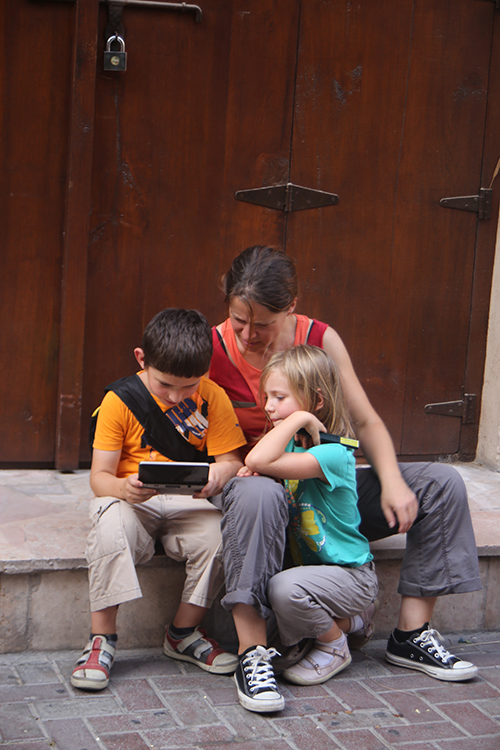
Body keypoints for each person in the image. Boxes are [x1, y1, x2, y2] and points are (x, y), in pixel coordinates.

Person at [208, 246, 480, 710]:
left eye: (263, 323)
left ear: (291, 307)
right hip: (260, 482)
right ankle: (253, 651)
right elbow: (224, 449)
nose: (248, 335)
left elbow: (366, 421)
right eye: (239, 321)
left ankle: (411, 633)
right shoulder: (212, 348)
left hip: (320, 481)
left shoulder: (319, 338)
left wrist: (392, 480)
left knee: (440, 482)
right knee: (257, 493)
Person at [71, 308, 246, 691]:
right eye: (166, 384)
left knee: (221, 535)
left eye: (189, 387)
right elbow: (99, 478)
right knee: (110, 527)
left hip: (190, 501)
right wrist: (123, 489)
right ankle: (102, 638)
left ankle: (183, 632)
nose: (177, 395)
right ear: (141, 359)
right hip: (131, 500)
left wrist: (220, 474)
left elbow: (232, 461)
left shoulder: (212, 397)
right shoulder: (120, 400)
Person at [236, 345, 378, 708]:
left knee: (282, 589)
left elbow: (257, 458)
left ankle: (335, 645)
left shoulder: (331, 453)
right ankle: (352, 623)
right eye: (266, 395)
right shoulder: (295, 452)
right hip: (317, 575)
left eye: (279, 397)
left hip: (350, 576)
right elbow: (261, 461)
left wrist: (296, 420)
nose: (268, 405)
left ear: (315, 401)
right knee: (275, 624)